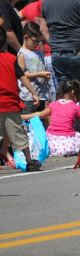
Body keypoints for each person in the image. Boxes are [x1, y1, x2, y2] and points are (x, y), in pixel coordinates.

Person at [0, 38, 37, 170]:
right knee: (18, 134)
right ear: (4, 43)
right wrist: (33, 92)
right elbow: (22, 76)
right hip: (10, 104)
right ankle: (30, 162)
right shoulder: (11, 58)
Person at [22, 79, 80, 158]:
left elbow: (39, 114)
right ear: (73, 92)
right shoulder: (76, 107)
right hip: (68, 143)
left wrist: (21, 117)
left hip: (51, 142)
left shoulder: (53, 105)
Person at [17, 23, 52, 117]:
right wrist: (39, 74)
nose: (37, 44)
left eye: (38, 42)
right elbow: (21, 75)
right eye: (35, 41)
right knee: (29, 123)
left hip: (41, 95)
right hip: (29, 97)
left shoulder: (38, 52)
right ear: (26, 37)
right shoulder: (22, 54)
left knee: (40, 122)